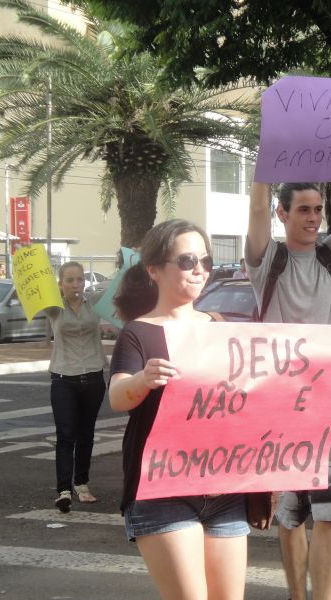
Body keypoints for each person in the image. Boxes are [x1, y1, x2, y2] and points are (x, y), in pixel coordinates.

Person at [246, 180, 331, 600]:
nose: (314, 218)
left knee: (330, 512)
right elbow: (256, 209)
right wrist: (266, 167)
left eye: (318, 209)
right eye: (303, 209)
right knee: (290, 513)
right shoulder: (267, 260)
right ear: (282, 214)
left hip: (330, 403)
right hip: (280, 406)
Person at [109, 219, 249, 600]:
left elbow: (278, 379)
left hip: (224, 488)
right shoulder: (138, 332)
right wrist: (142, 380)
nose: (199, 269)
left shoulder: (223, 326)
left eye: (206, 261)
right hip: (162, 491)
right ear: (153, 269)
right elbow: (118, 396)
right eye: (187, 260)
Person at [47, 261, 108, 512]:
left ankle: (82, 483)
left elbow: (122, 289)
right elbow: (28, 293)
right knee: (66, 434)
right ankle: (64, 490)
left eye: (80, 279)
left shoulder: (94, 302)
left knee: (86, 434)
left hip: (93, 377)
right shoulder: (53, 307)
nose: (76, 285)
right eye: (70, 280)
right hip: (63, 378)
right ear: (61, 283)